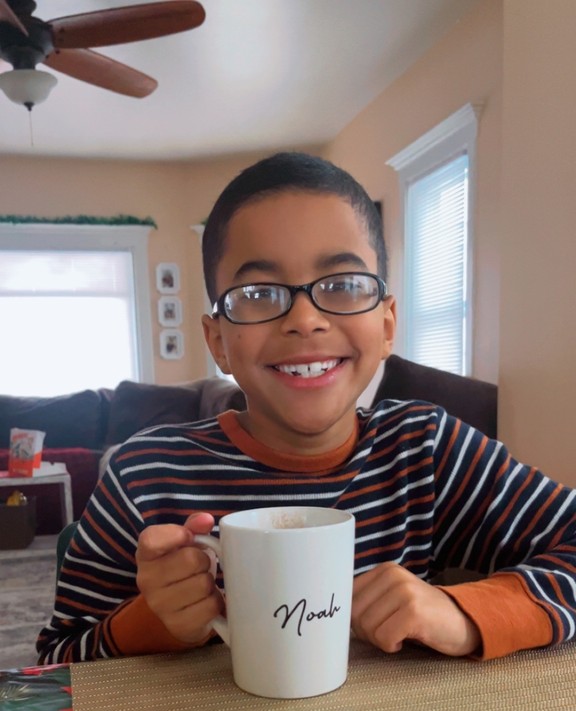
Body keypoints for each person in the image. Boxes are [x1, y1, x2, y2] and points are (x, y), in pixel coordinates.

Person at [37, 151, 576, 664]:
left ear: (386, 324)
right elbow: (54, 661)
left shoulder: (424, 451)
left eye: (342, 284)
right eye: (257, 294)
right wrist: (152, 623)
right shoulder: (143, 477)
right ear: (218, 341)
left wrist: (464, 612)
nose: (304, 319)